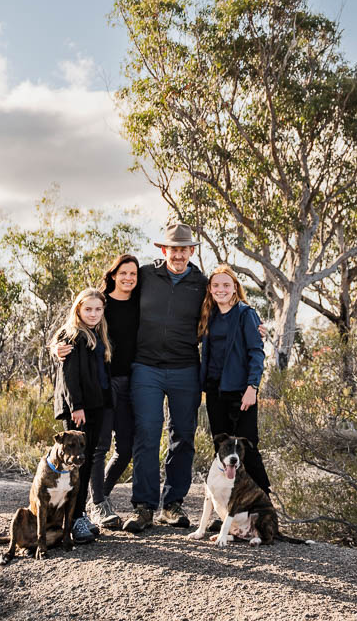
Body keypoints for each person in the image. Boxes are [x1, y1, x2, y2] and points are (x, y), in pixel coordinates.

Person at [122, 223, 209, 532]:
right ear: (163, 250)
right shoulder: (145, 275)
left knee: (183, 435)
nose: (179, 254)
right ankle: (144, 507)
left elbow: (229, 306)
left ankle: (172, 506)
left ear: (192, 251)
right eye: (173, 249)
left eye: (184, 249)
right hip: (145, 367)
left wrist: (256, 325)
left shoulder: (202, 283)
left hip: (186, 368)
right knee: (147, 432)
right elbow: (107, 299)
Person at [55, 253, 140, 531]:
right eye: (123, 272)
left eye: (133, 273)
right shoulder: (77, 330)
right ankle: (83, 512)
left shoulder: (104, 327)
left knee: (114, 450)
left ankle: (87, 506)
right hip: (86, 402)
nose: (93, 313)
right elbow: (68, 367)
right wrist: (54, 346)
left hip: (114, 392)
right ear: (113, 274)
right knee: (86, 454)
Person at [197, 264, 271, 496]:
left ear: (235, 288)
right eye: (216, 285)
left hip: (241, 392)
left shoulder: (245, 313)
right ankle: (226, 508)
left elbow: (256, 353)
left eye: (226, 285)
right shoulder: (209, 315)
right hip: (215, 391)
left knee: (248, 448)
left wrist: (252, 387)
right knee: (222, 450)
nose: (221, 289)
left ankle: (264, 501)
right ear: (209, 289)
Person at [52, 286, 112, 542]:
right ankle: (72, 520)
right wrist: (76, 406)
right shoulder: (71, 335)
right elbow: (68, 376)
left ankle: (79, 514)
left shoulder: (98, 333)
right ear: (78, 309)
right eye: (88, 309)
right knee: (73, 463)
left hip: (96, 405)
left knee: (84, 462)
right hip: (80, 409)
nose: (93, 313)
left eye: (98, 309)